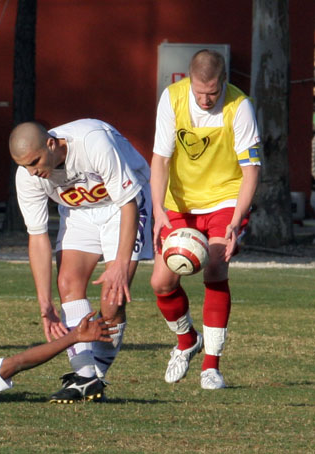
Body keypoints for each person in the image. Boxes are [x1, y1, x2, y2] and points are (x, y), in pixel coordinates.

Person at [8, 119, 152, 403]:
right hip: (79, 212)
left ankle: (95, 373)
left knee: (112, 303)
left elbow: (128, 203)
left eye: (35, 162)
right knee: (67, 283)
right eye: (24, 166)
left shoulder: (93, 142)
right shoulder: (27, 176)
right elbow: (37, 237)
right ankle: (86, 378)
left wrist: (120, 266)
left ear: (51, 143)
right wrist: (44, 302)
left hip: (123, 205)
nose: (32, 172)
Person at [150, 49, 261, 390]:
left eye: (212, 93)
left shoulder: (240, 106)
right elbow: (160, 160)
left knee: (215, 268)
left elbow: (251, 170)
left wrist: (236, 219)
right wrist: (158, 211)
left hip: (224, 199)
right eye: (199, 92)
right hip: (180, 202)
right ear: (190, 80)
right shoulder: (172, 99)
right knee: (161, 283)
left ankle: (211, 367)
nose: (204, 99)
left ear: (223, 81)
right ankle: (187, 341)